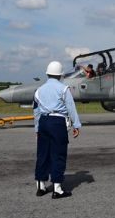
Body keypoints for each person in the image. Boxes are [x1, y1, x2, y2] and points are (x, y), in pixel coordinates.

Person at [34, 61, 81, 199]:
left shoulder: (39, 90)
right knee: (58, 154)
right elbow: (71, 108)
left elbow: (36, 111)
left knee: (42, 154)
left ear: (47, 73)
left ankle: (40, 187)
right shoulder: (64, 89)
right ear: (61, 75)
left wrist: (37, 128)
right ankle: (57, 189)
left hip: (43, 121)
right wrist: (76, 125)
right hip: (57, 122)